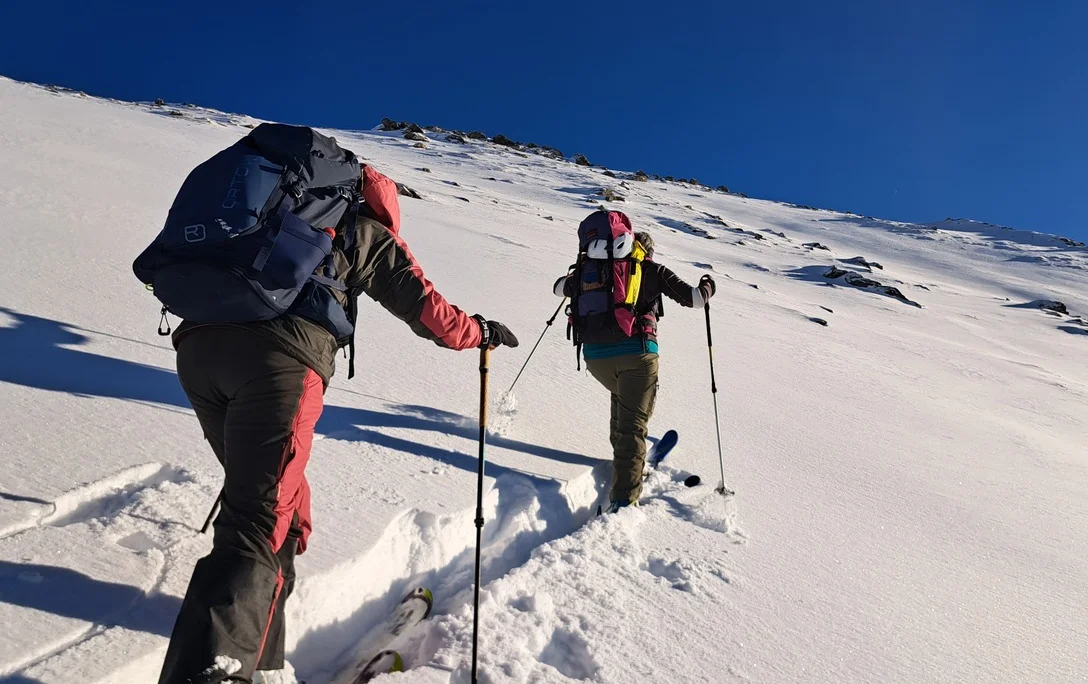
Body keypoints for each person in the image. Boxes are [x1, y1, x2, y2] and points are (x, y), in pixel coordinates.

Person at [158, 164, 518, 684]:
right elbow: (427, 309)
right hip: (278, 363)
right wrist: (477, 332)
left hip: (197, 353)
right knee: (257, 521)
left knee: (273, 503)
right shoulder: (359, 229)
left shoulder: (262, 215)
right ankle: (212, 672)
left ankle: (265, 661)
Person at [553, 211, 714, 513]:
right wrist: (709, 286)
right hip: (637, 355)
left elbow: (559, 287)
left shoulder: (590, 268)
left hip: (595, 357)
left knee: (623, 407)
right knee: (633, 426)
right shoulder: (650, 269)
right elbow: (695, 299)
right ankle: (624, 501)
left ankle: (627, 463)